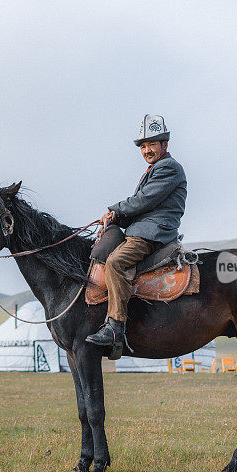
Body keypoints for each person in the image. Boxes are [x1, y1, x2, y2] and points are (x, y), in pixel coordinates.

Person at [85, 114, 187, 359]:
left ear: (165, 144)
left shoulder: (169, 168)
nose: (147, 150)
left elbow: (144, 201)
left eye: (152, 144)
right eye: (143, 146)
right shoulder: (152, 170)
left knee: (116, 263)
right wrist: (116, 218)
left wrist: (115, 209)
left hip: (152, 233)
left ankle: (115, 327)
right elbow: (141, 206)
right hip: (140, 230)